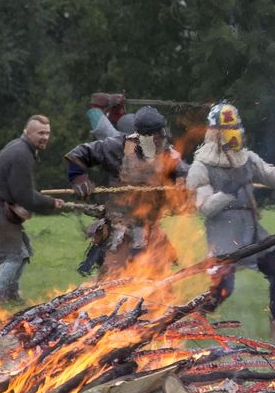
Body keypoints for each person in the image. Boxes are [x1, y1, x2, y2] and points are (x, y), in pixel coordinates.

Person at [186, 102, 275, 341]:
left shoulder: (248, 159)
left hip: (252, 230)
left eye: (236, 125)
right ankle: (194, 321)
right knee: (222, 289)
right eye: (228, 127)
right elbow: (206, 209)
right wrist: (230, 188)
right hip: (224, 233)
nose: (234, 131)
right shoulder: (200, 167)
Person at [65, 106, 188, 278]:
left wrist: (182, 183)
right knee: (112, 284)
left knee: (158, 286)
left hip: (150, 229)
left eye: (161, 137)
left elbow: (184, 174)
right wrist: (79, 179)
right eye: (155, 138)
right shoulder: (116, 146)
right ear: (141, 137)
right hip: (119, 229)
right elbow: (79, 154)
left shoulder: (169, 154)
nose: (160, 142)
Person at [0, 115, 64, 304]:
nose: (45, 137)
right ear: (27, 132)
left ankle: (11, 294)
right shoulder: (22, 154)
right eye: (40, 133)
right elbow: (25, 196)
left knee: (23, 252)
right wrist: (51, 203)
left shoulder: (19, 147)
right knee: (14, 255)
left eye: (47, 133)